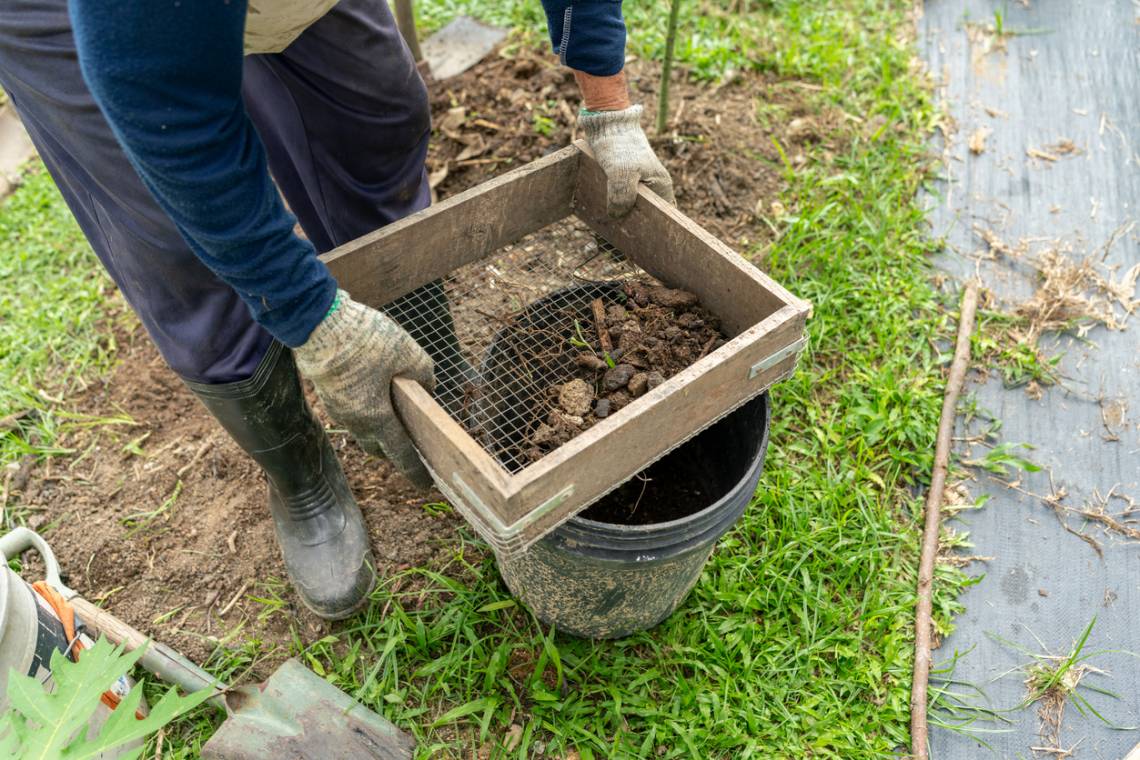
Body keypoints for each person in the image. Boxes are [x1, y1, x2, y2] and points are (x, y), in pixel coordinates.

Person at [0, 0, 673, 620]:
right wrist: (311, 319)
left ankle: (428, 382)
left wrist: (608, 111)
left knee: (375, 116)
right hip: (100, 28)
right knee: (176, 239)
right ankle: (303, 480)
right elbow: (151, 95)